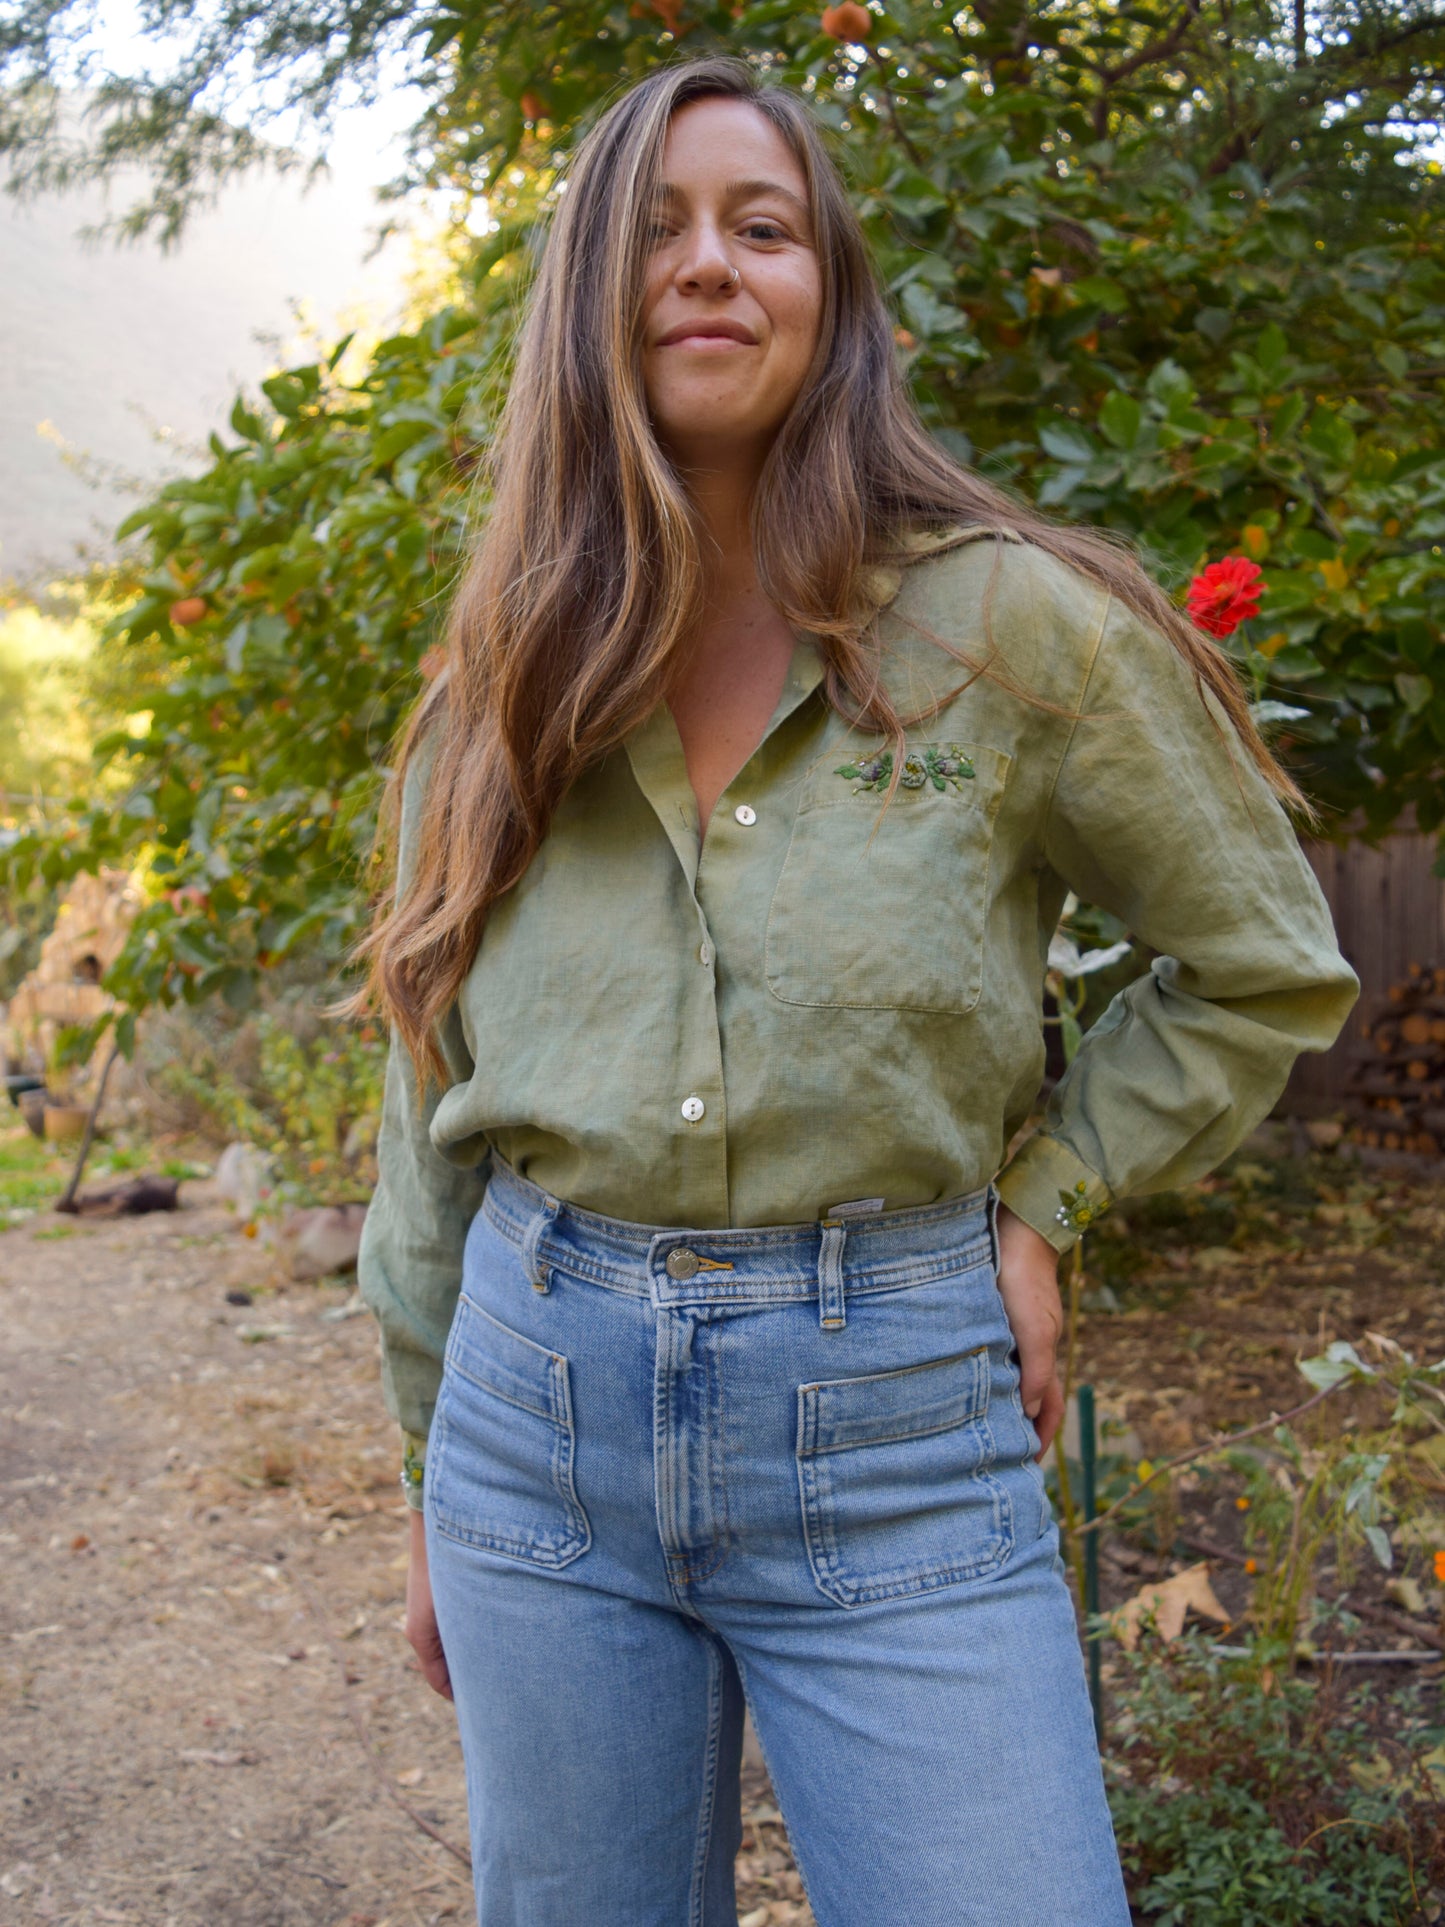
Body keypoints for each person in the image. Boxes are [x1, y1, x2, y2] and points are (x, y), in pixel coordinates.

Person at [352, 54, 1358, 1927]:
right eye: (656, 229)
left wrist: (1046, 1205)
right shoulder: (507, 662)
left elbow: (1257, 971)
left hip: (896, 1424)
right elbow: (429, 1090)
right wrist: (430, 1478)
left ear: (832, 295)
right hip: (533, 1431)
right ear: (586, 300)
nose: (707, 263)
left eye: (762, 227)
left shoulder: (1015, 629)